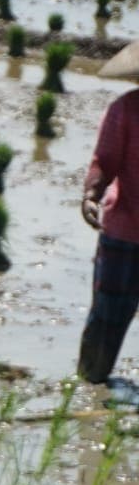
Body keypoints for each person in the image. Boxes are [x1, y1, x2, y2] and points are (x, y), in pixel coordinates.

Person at [78, 77, 139, 384]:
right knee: (108, 316)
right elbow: (105, 160)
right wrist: (92, 195)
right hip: (126, 231)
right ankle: (89, 385)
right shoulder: (126, 109)